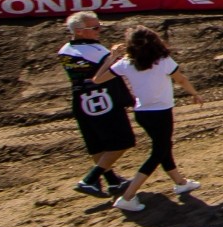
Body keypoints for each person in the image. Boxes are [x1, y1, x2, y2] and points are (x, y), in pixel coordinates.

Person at [91, 26, 201, 213]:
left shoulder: (126, 63)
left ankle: (181, 183)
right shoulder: (163, 61)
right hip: (162, 113)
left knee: (163, 147)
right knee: (158, 152)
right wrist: (194, 93)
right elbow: (181, 79)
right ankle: (128, 196)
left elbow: (97, 80)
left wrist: (111, 58)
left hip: (142, 113)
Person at [59, 11, 134, 198]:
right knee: (123, 140)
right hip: (104, 99)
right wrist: (113, 56)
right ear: (79, 31)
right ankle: (90, 179)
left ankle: (112, 181)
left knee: (97, 143)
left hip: (81, 100)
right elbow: (107, 74)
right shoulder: (97, 51)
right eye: (94, 28)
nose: (99, 31)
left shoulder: (64, 51)